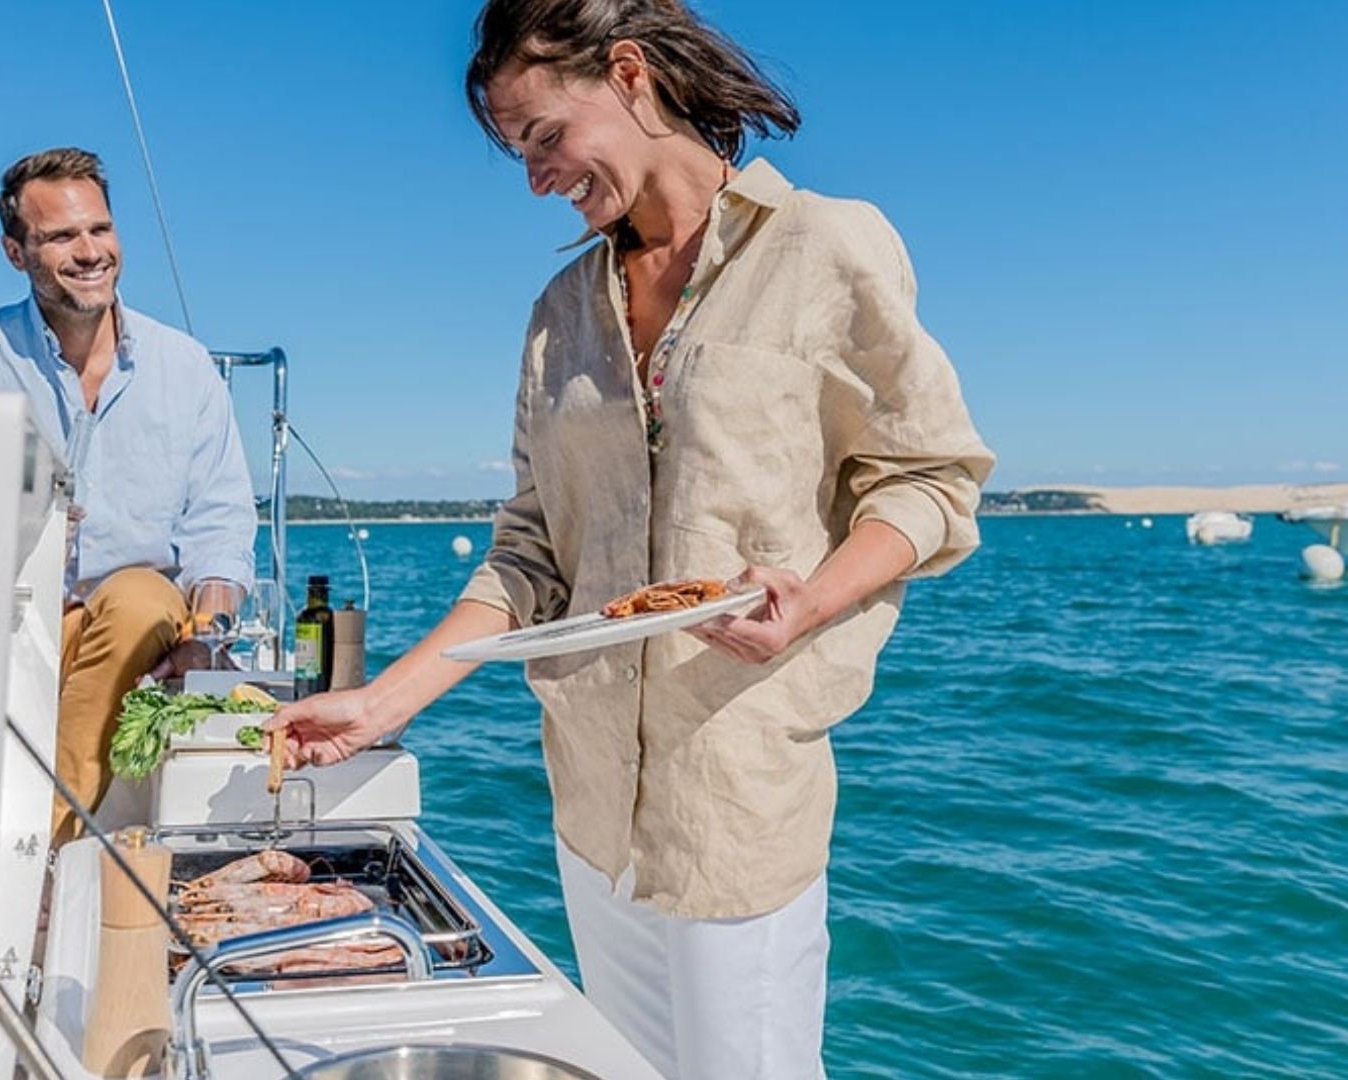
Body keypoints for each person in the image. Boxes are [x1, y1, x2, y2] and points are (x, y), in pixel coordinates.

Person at [267, 3, 994, 1077]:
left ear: (628, 73)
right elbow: (531, 552)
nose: (535, 180)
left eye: (544, 137)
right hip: (591, 810)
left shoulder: (827, 246)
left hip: (737, 797)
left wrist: (814, 600)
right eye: (519, 153)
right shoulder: (560, 312)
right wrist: (382, 705)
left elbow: (928, 476)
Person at [0, 147, 256, 847]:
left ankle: (35, 846)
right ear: (16, 253)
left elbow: (220, 526)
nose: (90, 252)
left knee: (141, 599)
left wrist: (210, 634)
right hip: (3, 618)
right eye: (61, 236)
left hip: (138, 629)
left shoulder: (184, 367)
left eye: (100, 229)